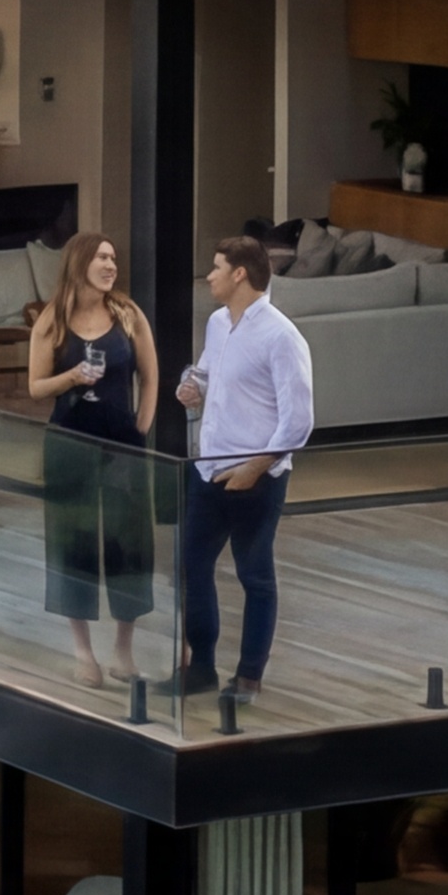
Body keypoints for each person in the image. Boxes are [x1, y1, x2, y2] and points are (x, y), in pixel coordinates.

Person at [173, 229, 314, 701]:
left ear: (238, 274)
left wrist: (256, 467)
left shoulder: (281, 337)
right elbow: (205, 373)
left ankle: (249, 678)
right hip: (208, 469)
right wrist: (192, 387)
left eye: (215, 268)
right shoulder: (217, 323)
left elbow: (299, 420)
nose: (208, 276)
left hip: (256, 478)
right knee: (192, 567)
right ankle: (201, 669)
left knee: (254, 575)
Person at [25, 235, 156, 685]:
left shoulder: (128, 314)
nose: (110, 265)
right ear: (80, 263)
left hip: (123, 448)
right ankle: (83, 653)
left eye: (113, 258)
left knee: (129, 543)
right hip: (69, 445)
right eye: (102, 257)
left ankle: (123, 652)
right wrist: (71, 377)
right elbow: (36, 387)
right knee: (72, 543)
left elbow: (151, 376)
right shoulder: (52, 320)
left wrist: (141, 426)